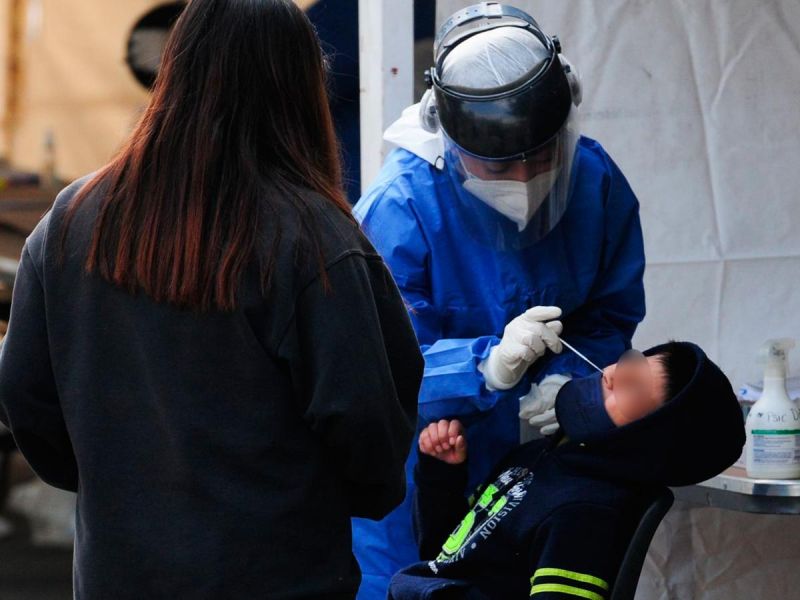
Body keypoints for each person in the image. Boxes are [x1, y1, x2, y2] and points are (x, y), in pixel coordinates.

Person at [0, 1, 422, 598]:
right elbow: (368, 425)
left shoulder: (70, 222)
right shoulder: (315, 240)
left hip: (118, 576)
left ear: (174, 70)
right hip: (280, 577)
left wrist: (110, 480)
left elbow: (23, 394)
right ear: (299, 86)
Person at [351, 3, 646, 596]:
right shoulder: (401, 208)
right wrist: (482, 368)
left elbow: (611, 312)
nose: (524, 180)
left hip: (536, 483)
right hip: (418, 483)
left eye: (541, 158)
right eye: (498, 165)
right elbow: (374, 368)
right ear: (448, 135)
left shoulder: (593, 180)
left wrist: (571, 385)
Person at [389, 341, 745, 599]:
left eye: (632, 387)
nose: (611, 374)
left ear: (647, 440)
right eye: (631, 363)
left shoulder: (585, 513)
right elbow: (441, 554)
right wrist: (442, 475)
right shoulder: (536, 457)